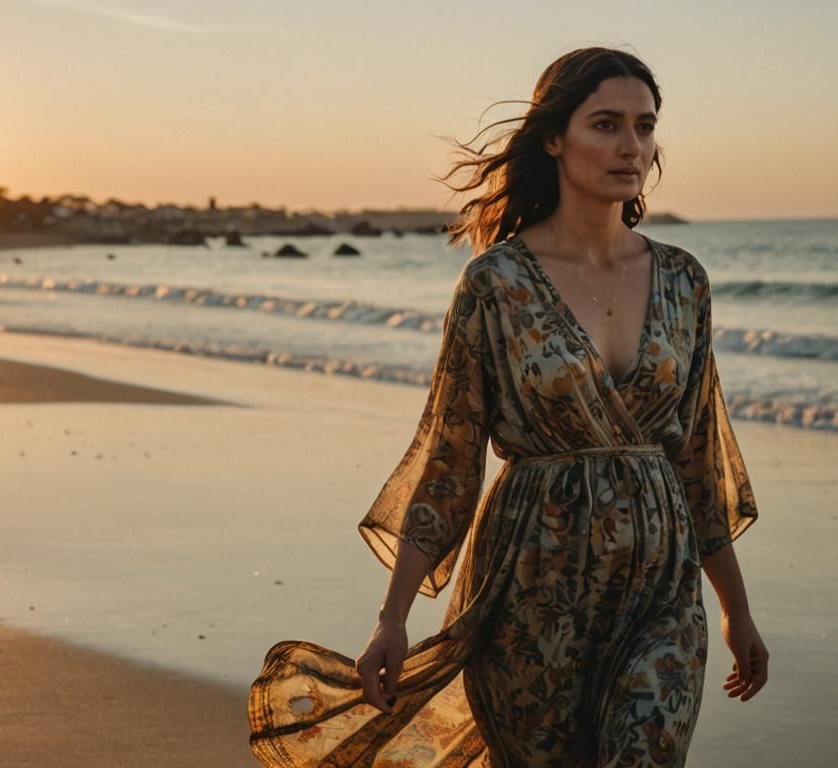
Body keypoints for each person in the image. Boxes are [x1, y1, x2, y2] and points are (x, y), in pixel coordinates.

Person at [248, 45, 766, 767]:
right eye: (607, 124)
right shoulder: (496, 285)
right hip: (531, 593)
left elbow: (699, 458)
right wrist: (392, 619)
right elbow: (449, 459)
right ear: (553, 137)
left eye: (645, 127)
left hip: (661, 591)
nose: (632, 147)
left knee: (646, 750)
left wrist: (736, 609)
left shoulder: (684, 280)